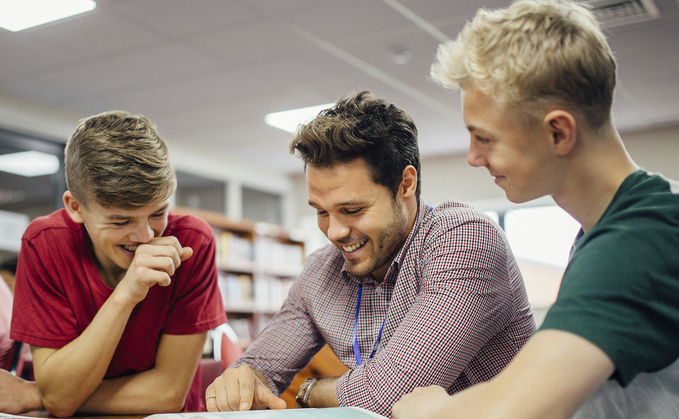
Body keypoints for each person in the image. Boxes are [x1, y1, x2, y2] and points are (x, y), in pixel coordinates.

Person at [392, 1, 679, 418]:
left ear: (558, 132)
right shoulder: (609, 231)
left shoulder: (642, 238)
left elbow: (515, 412)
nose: (473, 157)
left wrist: (434, 410)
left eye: (485, 138)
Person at [205, 91, 536, 416]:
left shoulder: (463, 239)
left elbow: (389, 395)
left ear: (405, 184)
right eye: (321, 211)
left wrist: (309, 390)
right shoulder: (321, 271)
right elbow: (256, 369)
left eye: (352, 209)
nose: (334, 232)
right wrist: (239, 384)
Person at [7, 111, 227, 416]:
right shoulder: (44, 242)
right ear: (75, 207)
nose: (146, 235)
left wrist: (36, 396)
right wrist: (126, 294)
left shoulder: (193, 241)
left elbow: (167, 395)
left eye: (158, 213)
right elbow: (58, 393)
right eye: (121, 220)